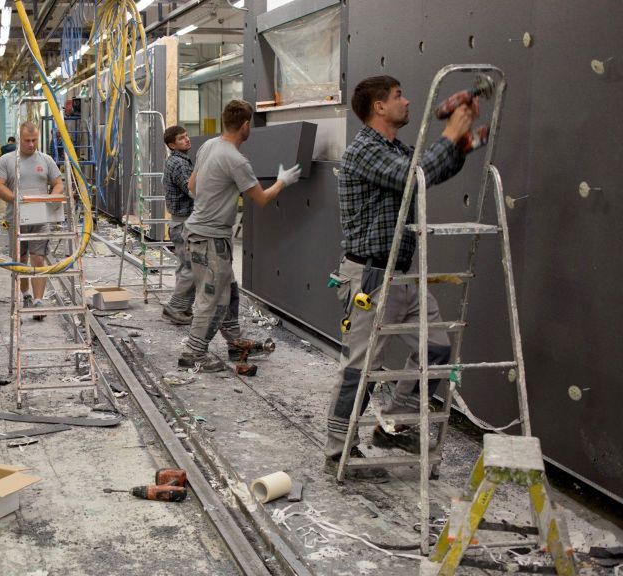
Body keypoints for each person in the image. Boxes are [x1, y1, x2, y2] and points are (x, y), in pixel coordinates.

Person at [324, 75, 479, 478]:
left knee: (438, 350)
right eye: (398, 96)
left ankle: (395, 425)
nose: (406, 101)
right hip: (371, 277)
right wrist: (450, 131)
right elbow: (415, 176)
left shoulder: (393, 148)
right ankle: (338, 451)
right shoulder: (364, 150)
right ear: (378, 107)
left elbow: (428, 171)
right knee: (360, 369)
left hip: (404, 274)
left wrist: (464, 141)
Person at [178, 100, 301, 372]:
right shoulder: (237, 160)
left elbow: (192, 186)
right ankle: (193, 354)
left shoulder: (209, 146)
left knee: (229, 291)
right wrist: (283, 180)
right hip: (211, 239)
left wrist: (216, 197)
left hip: (198, 233)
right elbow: (261, 199)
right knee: (213, 298)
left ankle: (235, 343)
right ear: (246, 125)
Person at [0, 122, 64, 320]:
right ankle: (26, 295)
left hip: (41, 218)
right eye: (27, 141)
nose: (31, 145)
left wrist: (52, 197)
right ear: (19, 139)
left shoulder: (46, 160)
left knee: (38, 258)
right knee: (21, 260)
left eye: (34, 140)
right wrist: (16, 200)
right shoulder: (7, 160)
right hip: (17, 217)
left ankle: (39, 302)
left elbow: (58, 183)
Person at [161, 125, 197, 325]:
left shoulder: (177, 161)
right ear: (172, 145)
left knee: (185, 267)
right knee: (191, 268)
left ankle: (182, 309)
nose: (187, 139)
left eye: (186, 136)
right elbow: (192, 190)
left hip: (179, 222)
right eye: (182, 138)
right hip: (184, 224)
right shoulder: (180, 164)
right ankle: (175, 308)